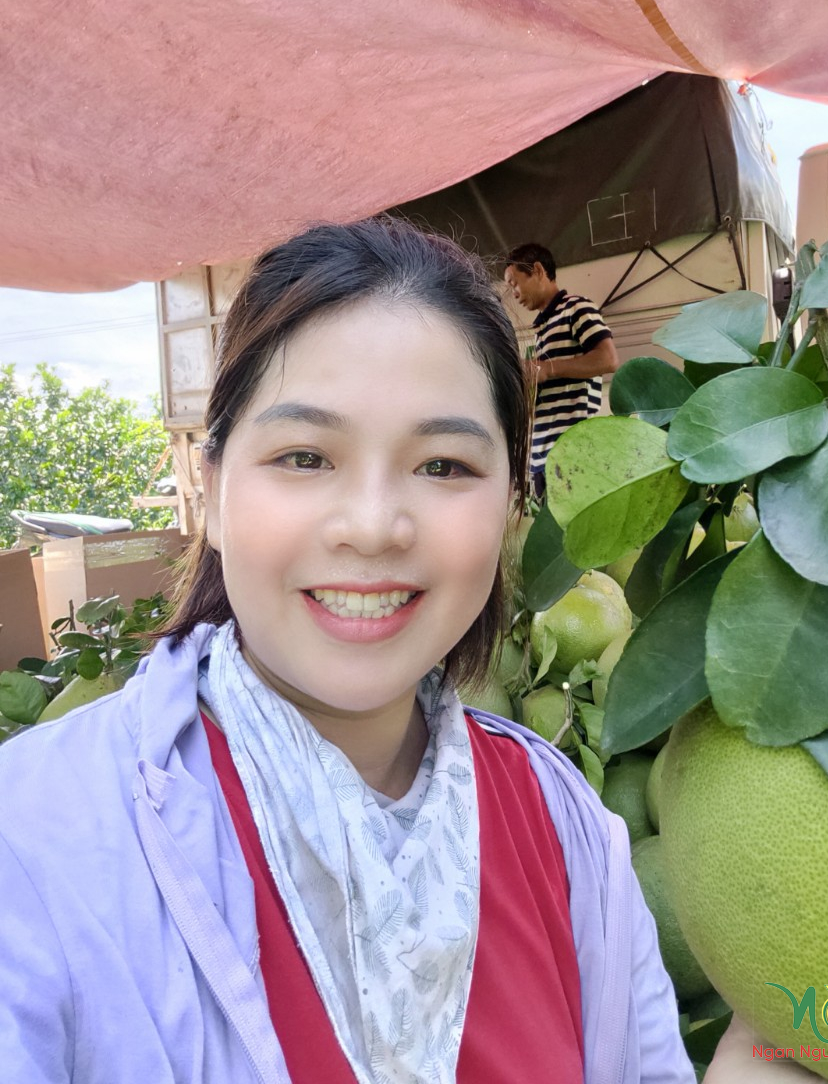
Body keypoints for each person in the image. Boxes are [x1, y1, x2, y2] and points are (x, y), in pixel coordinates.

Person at [0, 217, 694, 1084]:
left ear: (513, 507)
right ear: (211, 492)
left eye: (442, 466)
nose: (372, 526)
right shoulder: (32, 841)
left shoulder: (565, 825)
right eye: (304, 456)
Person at [503, 242, 618, 498]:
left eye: (514, 283)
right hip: (542, 458)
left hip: (572, 455)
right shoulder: (542, 330)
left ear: (537, 270)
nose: (514, 294)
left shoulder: (577, 308)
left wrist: (547, 368)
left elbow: (607, 359)